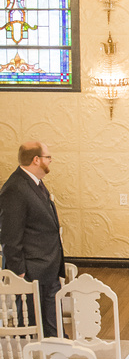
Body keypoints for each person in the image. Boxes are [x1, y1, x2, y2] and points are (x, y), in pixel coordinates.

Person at [0, 141, 65, 337]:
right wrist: (18, 271)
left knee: (51, 322)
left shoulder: (34, 182)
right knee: (34, 324)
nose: (50, 161)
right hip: (32, 269)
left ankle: (56, 355)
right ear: (36, 160)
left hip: (46, 265)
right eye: (48, 157)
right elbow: (10, 234)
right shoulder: (16, 188)